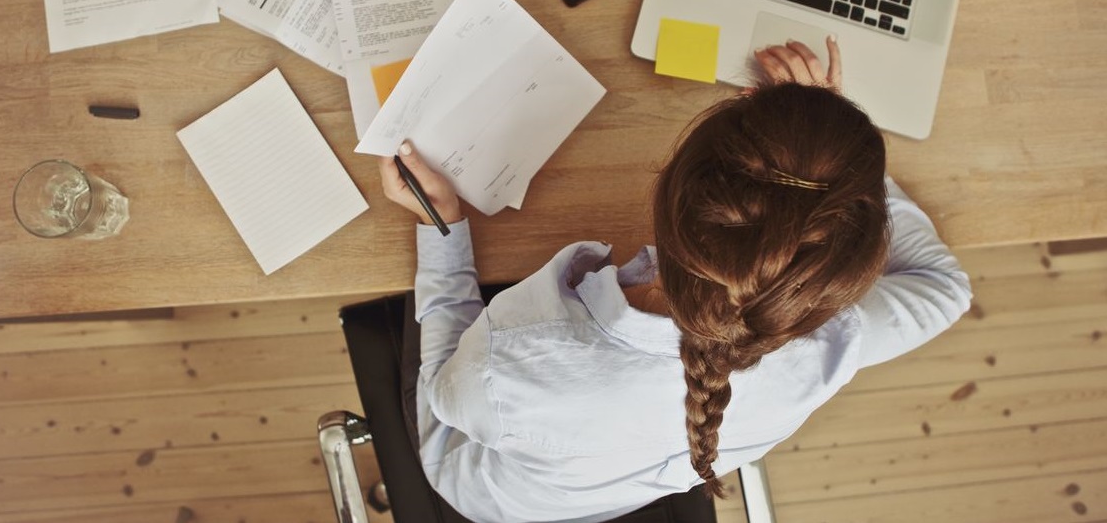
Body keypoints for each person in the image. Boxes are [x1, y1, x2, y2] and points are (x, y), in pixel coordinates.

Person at [378, 37, 972, 523]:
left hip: (479, 488)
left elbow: (445, 398)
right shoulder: (832, 347)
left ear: (665, 182)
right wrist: (833, 164)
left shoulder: (511, 360)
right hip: (613, 488)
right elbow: (945, 290)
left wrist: (444, 228)